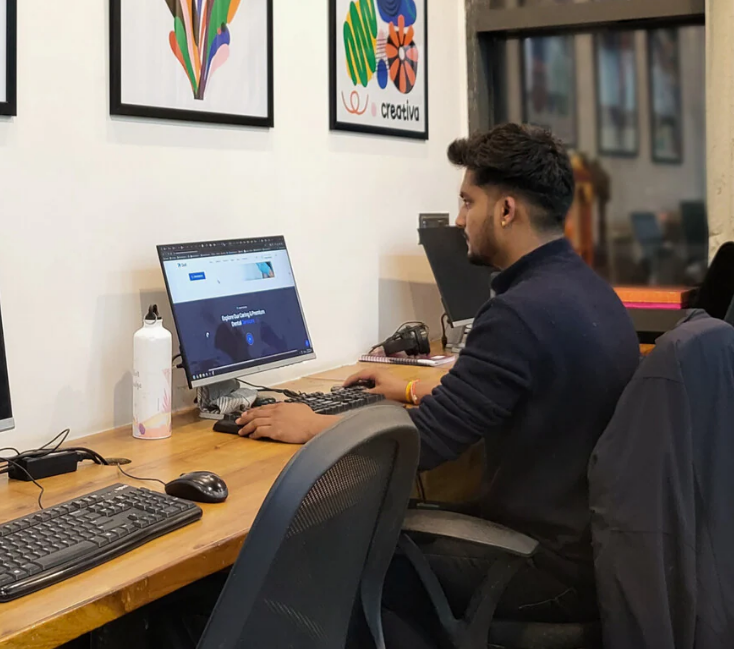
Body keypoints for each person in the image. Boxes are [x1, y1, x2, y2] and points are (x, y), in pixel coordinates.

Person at [236, 124, 641, 635]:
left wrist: (312, 424)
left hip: (543, 567)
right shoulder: (586, 292)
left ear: (506, 210)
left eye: (467, 202)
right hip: (584, 547)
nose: (459, 220)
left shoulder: (519, 314)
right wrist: (408, 386)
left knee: (321, 567)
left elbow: (422, 446)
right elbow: (521, 392)